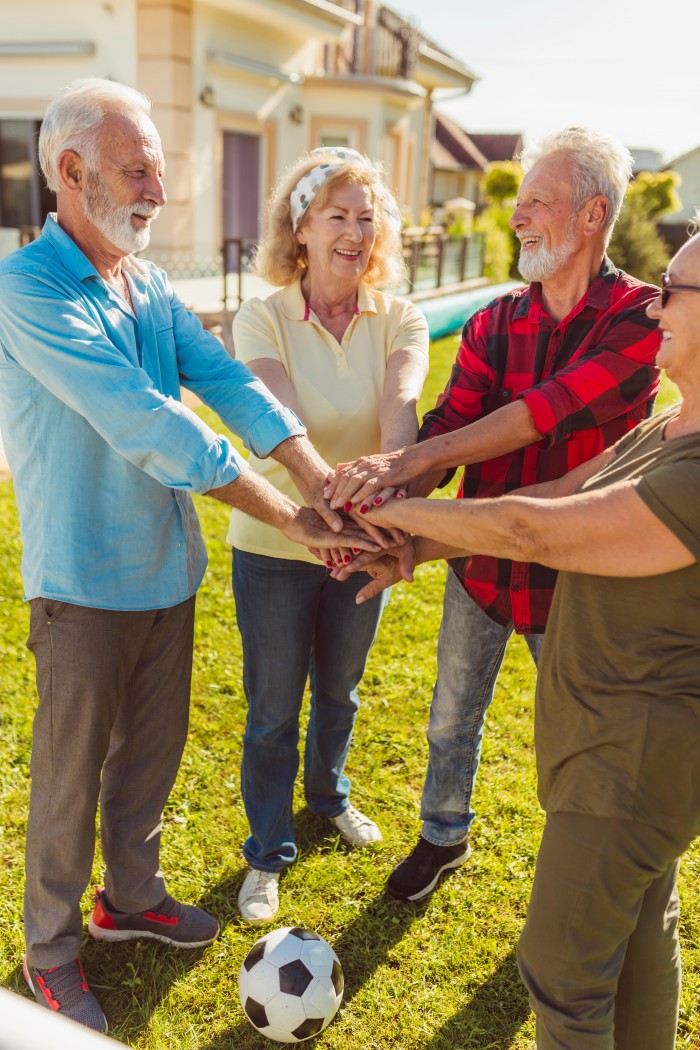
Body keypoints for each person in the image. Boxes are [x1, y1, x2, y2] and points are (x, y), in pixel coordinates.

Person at [0, 80, 377, 1033]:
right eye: (138, 172)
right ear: (71, 173)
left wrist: (319, 477)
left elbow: (224, 383)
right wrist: (294, 521)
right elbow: (152, 426)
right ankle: (49, 950)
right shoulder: (29, 289)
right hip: (81, 585)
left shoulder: (147, 284)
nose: (157, 194)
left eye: (160, 173)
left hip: (168, 575)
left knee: (149, 761)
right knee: (69, 776)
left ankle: (128, 902)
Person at [347, 228, 700, 1050]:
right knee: (642, 936)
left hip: (633, 757)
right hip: (608, 743)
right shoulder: (667, 427)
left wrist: (384, 509)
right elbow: (552, 496)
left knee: (562, 969)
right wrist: (417, 547)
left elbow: (534, 532)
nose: (654, 303)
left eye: (674, 289)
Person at [326, 127, 661, 902]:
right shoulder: (493, 322)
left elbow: (544, 413)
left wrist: (403, 472)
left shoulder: (638, 318)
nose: (517, 216)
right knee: (450, 718)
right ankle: (443, 834)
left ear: (591, 215)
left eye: (537, 200)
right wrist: (386, 509)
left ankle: (584, 867)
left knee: (581, 740)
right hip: (480, 567)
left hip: (579, 579)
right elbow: (449, 427)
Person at [227, 147, 429, 924]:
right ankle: (268, 850)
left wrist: (394, 489)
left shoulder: (398, 315)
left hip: (363, 544)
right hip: (279, 543)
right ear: (301, 228)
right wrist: (333, 506)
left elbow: (400, 402)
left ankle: (328, 796)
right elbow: (279, 421)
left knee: (339, 690)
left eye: (366, 217)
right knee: (274, 704)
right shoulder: (263, 315)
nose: (355, 231)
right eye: (337, 215)